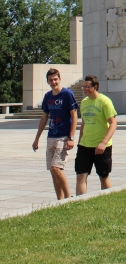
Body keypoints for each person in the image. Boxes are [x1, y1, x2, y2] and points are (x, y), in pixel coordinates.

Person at [32, 68, 78, 200]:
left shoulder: (67, 94)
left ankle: (68, 197)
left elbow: (74, 116)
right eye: (51, 80)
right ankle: (60, 199)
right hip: (51, 136)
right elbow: (44, 117)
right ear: (48, 81)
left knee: (55, 167)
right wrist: (37, 139)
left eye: (55, 79)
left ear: (60, 79)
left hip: (63, 137)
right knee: (53, 171)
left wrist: (71, 137)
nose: (53, 82)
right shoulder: (48, 96)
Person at [75, 75, 117, 195]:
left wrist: (104, 143)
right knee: (80, 175)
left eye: (87, 87)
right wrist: (80, 141)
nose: (85, 89)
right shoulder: (84, 102)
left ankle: (108, 200)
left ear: (95, 87)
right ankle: (80, 202)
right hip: (84, 145)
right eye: (84, 86)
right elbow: (83, 123)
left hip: (101, 147)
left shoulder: (105, 101)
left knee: (103, 176)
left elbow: (113, 123)